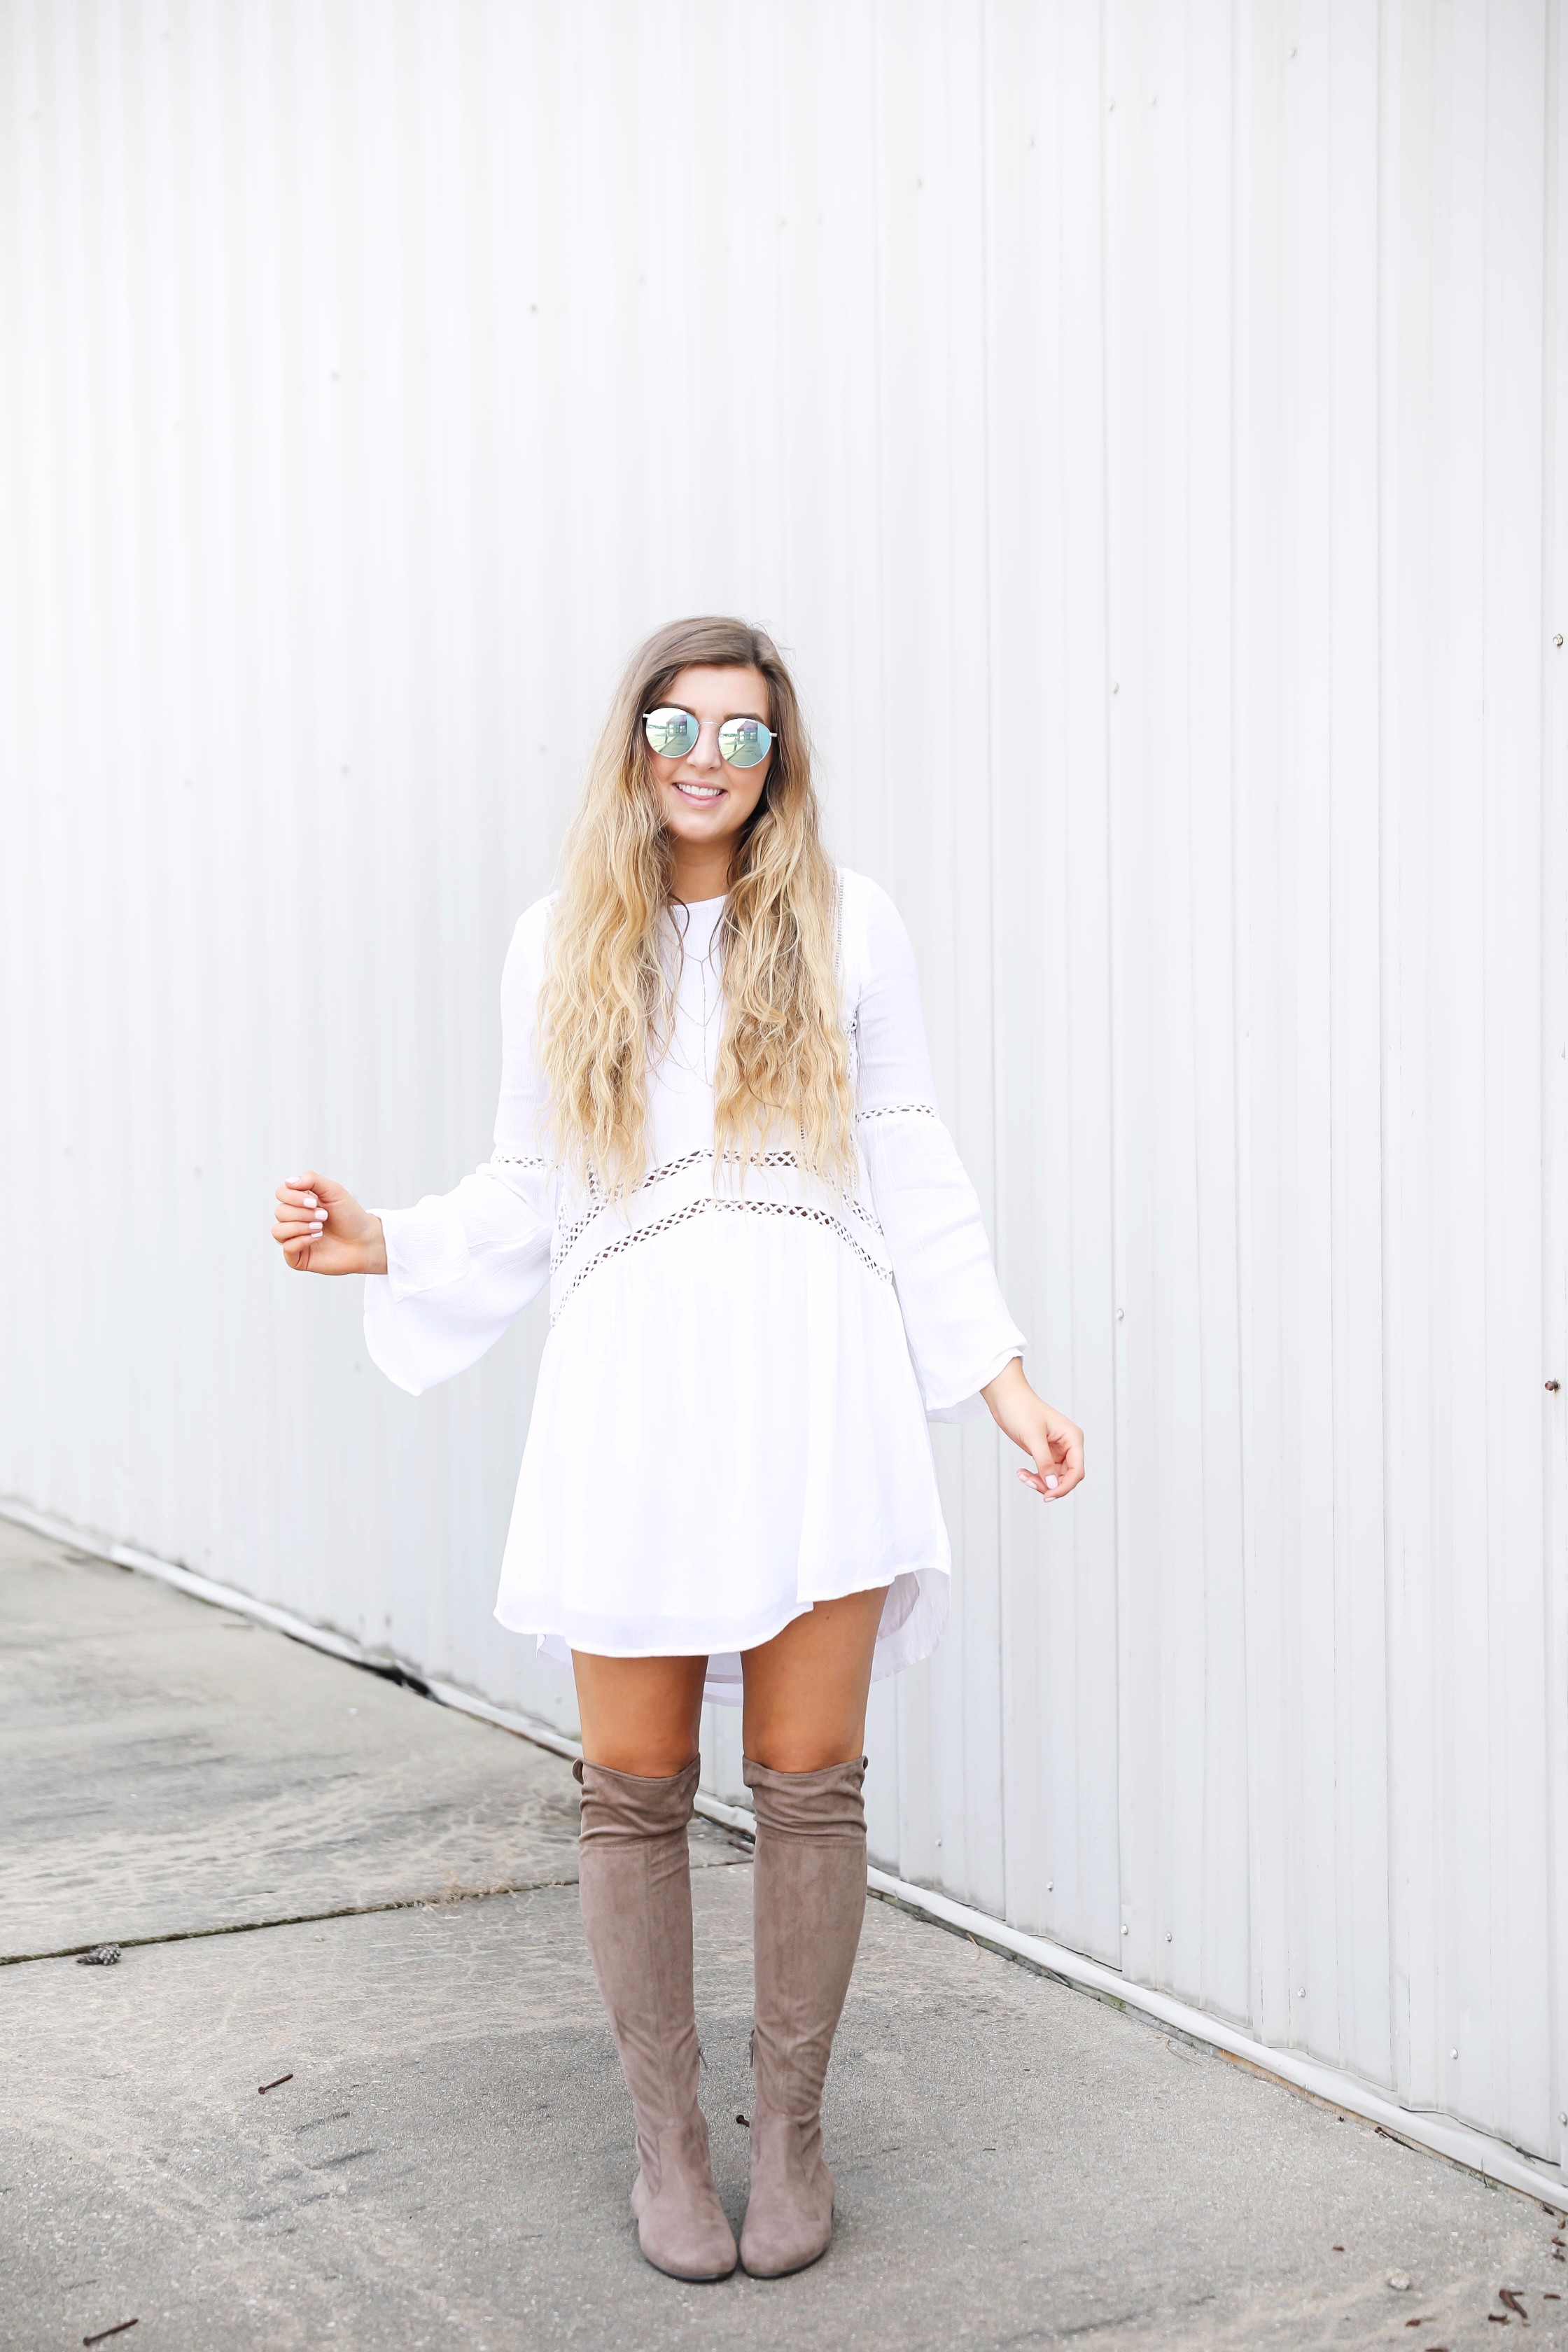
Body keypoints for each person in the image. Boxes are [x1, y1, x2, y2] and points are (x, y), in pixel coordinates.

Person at [270, 615, 1084, 2283]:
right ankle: (665, 2147)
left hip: (818, 1380)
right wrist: (391, 1243)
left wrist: (1001, 1379)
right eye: (678, 724)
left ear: (779, 763)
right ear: (632, 739)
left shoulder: (854, 928)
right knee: (632, 1794)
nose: (708, 759)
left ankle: (786, 2140)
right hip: (633, 1391)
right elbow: (529, 1179)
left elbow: (912, 1165)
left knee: (812, 1790)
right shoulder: (559, 939)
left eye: (744, 734)